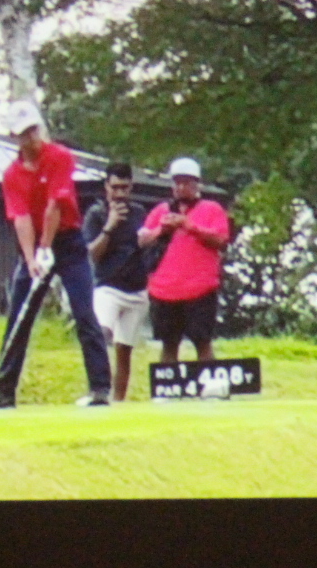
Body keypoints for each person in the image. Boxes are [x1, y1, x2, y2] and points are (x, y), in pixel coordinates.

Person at [0, 100, 114, 410]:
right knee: (19, 317)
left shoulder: (59, 157)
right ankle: (3, 392)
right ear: (14, 136)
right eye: (23, 133)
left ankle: (100, 389)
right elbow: (21, 218)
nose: (30, 138)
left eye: (33, 130)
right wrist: (32, 259)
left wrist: (46, 248)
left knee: (84, 313)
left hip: (68, 243)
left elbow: (54, 206)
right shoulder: (12, 175)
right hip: (33, 247)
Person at [140, 157, 232, 367]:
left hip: (200, 288)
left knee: (203, 342)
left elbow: (221, 240)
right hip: (164, 289)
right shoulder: (161, 210)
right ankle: (168, 383)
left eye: (186, 183)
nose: (181, 188)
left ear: (196, 184)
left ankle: (208, 380)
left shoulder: (212, 209)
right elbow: (142, 240)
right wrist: (161, 230)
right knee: (168, 344)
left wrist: (190, 226)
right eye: (177, 183)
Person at [85, 161, 151, 401]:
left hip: (136, 289)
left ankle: (118, 401)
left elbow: (147, 246)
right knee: (101, 334)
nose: (120, 194)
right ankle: (98, 389)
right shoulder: (96, 214)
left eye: (125, 188)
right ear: (106, 187)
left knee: (125, 350)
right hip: (108, 286)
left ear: (131, 187)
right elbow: (92, 254)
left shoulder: (139, 213)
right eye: (115, 188)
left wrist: (149, 241)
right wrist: (109, 227)